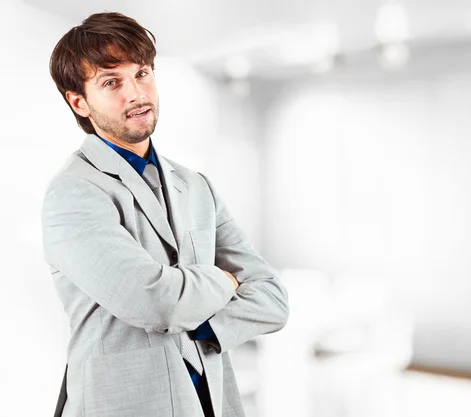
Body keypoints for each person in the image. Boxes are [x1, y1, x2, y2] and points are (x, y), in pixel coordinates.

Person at [42, 12, 289, 417]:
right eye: (111, 82)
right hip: (120, 405)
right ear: (79, 101)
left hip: (208, 400)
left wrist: (204, 324)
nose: (136, 93)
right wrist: (224, 280)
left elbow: (273, 298)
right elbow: (155, 302)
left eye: (142, 73)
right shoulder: (73, 192)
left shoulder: (196, 186)